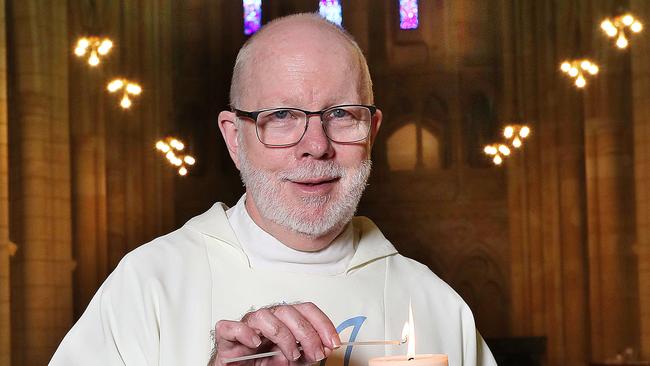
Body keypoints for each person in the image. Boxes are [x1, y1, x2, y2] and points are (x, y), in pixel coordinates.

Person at [50, 13, 496, 366]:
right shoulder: (149, 286)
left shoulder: (437, 305)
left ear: (372, 130)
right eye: (281, 115)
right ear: (233, 139)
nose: (316, 147)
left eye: (341, 114)